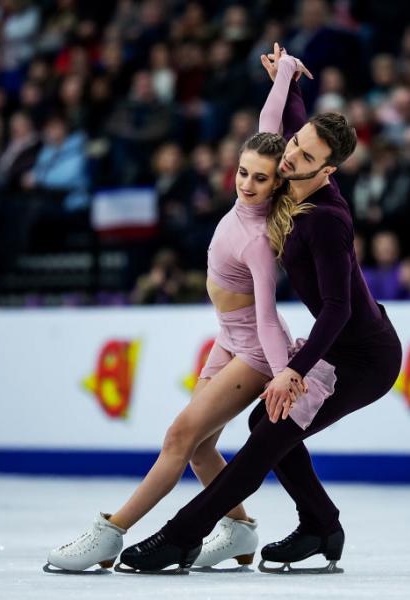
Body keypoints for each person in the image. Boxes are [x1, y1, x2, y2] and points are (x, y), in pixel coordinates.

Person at [118, 44, 402, 574]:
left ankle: (182, 535)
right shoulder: (297, 162)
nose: (290, 157)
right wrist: (287, 77)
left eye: (306, 157)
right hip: (335, 347)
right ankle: (321, 524)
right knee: (267, 425)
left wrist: (291, 370)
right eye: (296, 145)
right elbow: (286, 124)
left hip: (364, 357)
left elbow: (338, 309)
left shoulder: (326, 220)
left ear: (330, 169)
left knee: (268, 431)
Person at [44, 51, 322, 574]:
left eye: (261, 180)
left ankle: (111, 532)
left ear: (277, 184)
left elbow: (267, 317)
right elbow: (267, 127)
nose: (247, 184)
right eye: (243, 173)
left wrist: (286, 370)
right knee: (198, 450)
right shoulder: (252, 179)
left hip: (256, 351)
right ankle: (239, 529)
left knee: (178, 436)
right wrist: (284, 74)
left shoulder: (261, 240)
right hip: (228, 337)